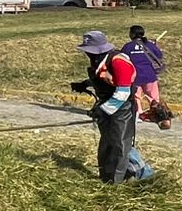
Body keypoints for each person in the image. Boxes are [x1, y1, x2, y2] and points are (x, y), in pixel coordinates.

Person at [70, 30, 154, 184]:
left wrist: (103, 110)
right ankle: (106, 177)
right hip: (107, 104)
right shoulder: (98, 60)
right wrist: (85, 84)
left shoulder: (119, 62)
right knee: (107, 143)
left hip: (123, 109)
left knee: (120, 145)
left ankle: (119, 181)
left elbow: (123, 92)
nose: (88, 54)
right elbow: (105, 79)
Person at [121, 25, 171, 129]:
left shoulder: (128, 46)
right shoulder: (149, 45)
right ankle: (158, 114)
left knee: (136, 96)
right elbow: (159, 55)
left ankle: (138, 114)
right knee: (153, 97)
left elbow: (123, 58)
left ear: (132, 34)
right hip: (149, 74)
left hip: (135, 75)